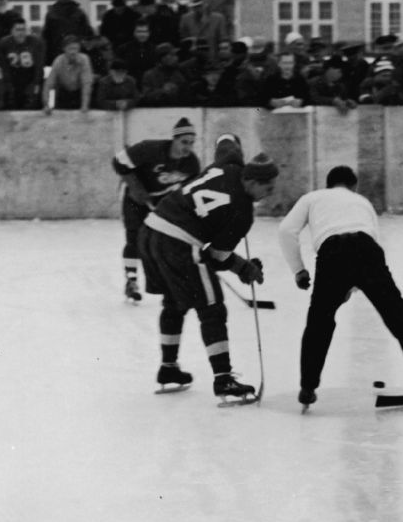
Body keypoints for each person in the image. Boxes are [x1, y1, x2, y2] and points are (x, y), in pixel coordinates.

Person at [279, 166, 403, 410]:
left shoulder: (313, 198)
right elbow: (372, 241)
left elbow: (286, 230)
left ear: (328, 185)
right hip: (367, 249)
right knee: (399, 318)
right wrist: (355, 282)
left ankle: (307, 388)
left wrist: (299, 271)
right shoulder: (362, 201)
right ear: (353, 186)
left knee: (319, 321)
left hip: (332, 252)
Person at [138, 135, 279, 402]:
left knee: (174, 303)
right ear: (250, 182)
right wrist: (242, 267)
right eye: (267, 188)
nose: (269, 195)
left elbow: (225, 140)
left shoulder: (229, 163)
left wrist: (232, 138)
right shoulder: (242, 214)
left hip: (150, 231)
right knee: (212, 308)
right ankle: (223, 379)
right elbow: (215, 258)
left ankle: (168, 369)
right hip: (178, 243)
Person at [111, 117, 202, 301]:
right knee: (135, 237)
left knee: (165, 240)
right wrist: (136, 187)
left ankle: (171, 279)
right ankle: (131, 280)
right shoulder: (150, 149)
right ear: (174, 140)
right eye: (184, 142)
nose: (188, 147)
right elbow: (118, 163)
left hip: (161, 200)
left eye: (191, 143)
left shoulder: (191, 163)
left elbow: (190, 191)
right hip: (134, 198)